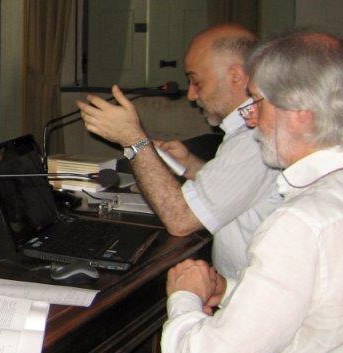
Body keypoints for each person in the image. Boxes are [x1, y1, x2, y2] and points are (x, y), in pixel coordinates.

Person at [55, 29, 343, 353]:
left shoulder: (300, 224)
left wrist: (186, 299)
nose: (251, 120)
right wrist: (231, 291)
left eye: (259, 103)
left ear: (299, 112)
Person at [76, 23, 281, 281]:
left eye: (196, 81)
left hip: (252, 300)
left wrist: (134, 141)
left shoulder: (253, 139)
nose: (192, 95)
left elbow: (180, 220)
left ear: (237, 77)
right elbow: (240, 189)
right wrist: (190, 166)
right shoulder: (249, 134)